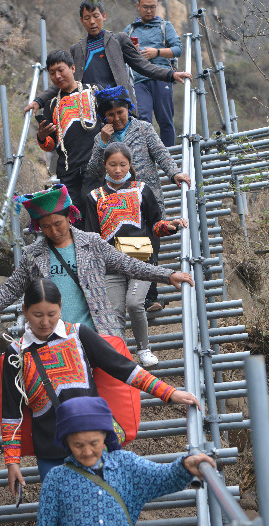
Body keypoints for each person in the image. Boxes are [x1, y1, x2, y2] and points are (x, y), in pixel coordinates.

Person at [0, 278, 200, 483]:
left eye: (51, 314)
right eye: (37, 315)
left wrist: (168, 392)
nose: (45, 322)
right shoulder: (16, 354)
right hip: (51, 453)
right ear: (25, 311)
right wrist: (12, 461)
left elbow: (123, 367)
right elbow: (10, 411)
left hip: (95, 447)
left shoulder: (78, 335)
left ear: (60, 307)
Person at [35, 396, 215, 526]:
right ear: (66, 442)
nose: (87, 451)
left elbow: (163, 477)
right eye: (78, 445)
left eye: (94, 443)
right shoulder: (56, 480)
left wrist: (185, 466)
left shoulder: (125, 465)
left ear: (105, 435)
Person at [0, 183, 194, 341]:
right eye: (46, 227)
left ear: (69, 216)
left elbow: (128, 264)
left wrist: (167, 275)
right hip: (54, 338)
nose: (53, 231)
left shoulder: (92, 243)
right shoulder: (33, 254)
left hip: (97, 334)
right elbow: (11, 288)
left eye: (58, 224)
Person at [86, 86, 192, 311]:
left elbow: (160, 152)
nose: (116, 118)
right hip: (116, 206)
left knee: (151, 243)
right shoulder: (101, 138)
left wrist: (174, 173)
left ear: (128, 109)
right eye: (111, 114)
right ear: (104, 116)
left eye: (120, 112)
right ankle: (130, 294)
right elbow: (93, 172)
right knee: (123, 248)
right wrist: (102, 143)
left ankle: (149, 298)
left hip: (146, 198)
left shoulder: (143, 128)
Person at [86, 142, 186, 367]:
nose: (118, 170)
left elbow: (155, 225)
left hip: (141, 260)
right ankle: (120, 357)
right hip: (110, 265)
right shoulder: (94, 197)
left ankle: (143, 348)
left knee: (134, 303)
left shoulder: (142, 190)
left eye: (123, 165)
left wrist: (170, 226)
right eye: (112, 164)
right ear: (104, 166)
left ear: (130, 165)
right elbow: (92, 236)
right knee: (115, 312)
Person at [23, 1, 191, 116]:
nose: (92, 21)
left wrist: (171, 74)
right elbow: (64, 79)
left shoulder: (119, 40)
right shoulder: (77, 50)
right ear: (81, 21)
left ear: (103, 16)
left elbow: (143, 66)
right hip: (92, 112)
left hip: (120, 109)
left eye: (96, 16)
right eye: (87, 18)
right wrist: (39, 101)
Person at [36, 50, 101, 227]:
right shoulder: (51, 105)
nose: (57, 76)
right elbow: (51, 146)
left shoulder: (93, 92)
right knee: (75, 217)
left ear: (72, 68)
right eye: (52, 73)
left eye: (61, 70)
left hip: (95, 164)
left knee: (94, 206)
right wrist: (42, 137)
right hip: (68, 169)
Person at [125, 0, 183, 147]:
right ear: (138, 6)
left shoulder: (165, 26)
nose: (149, 10)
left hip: (162, 77)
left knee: (165, 119)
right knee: (142, 120)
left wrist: (156, 52)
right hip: (138, 80)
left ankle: (168, 155)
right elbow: (120, 54)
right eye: (145, 7)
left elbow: (178, 49)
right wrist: (132, 52)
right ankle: (146, 156)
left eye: (152, 7)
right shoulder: (130, 30)